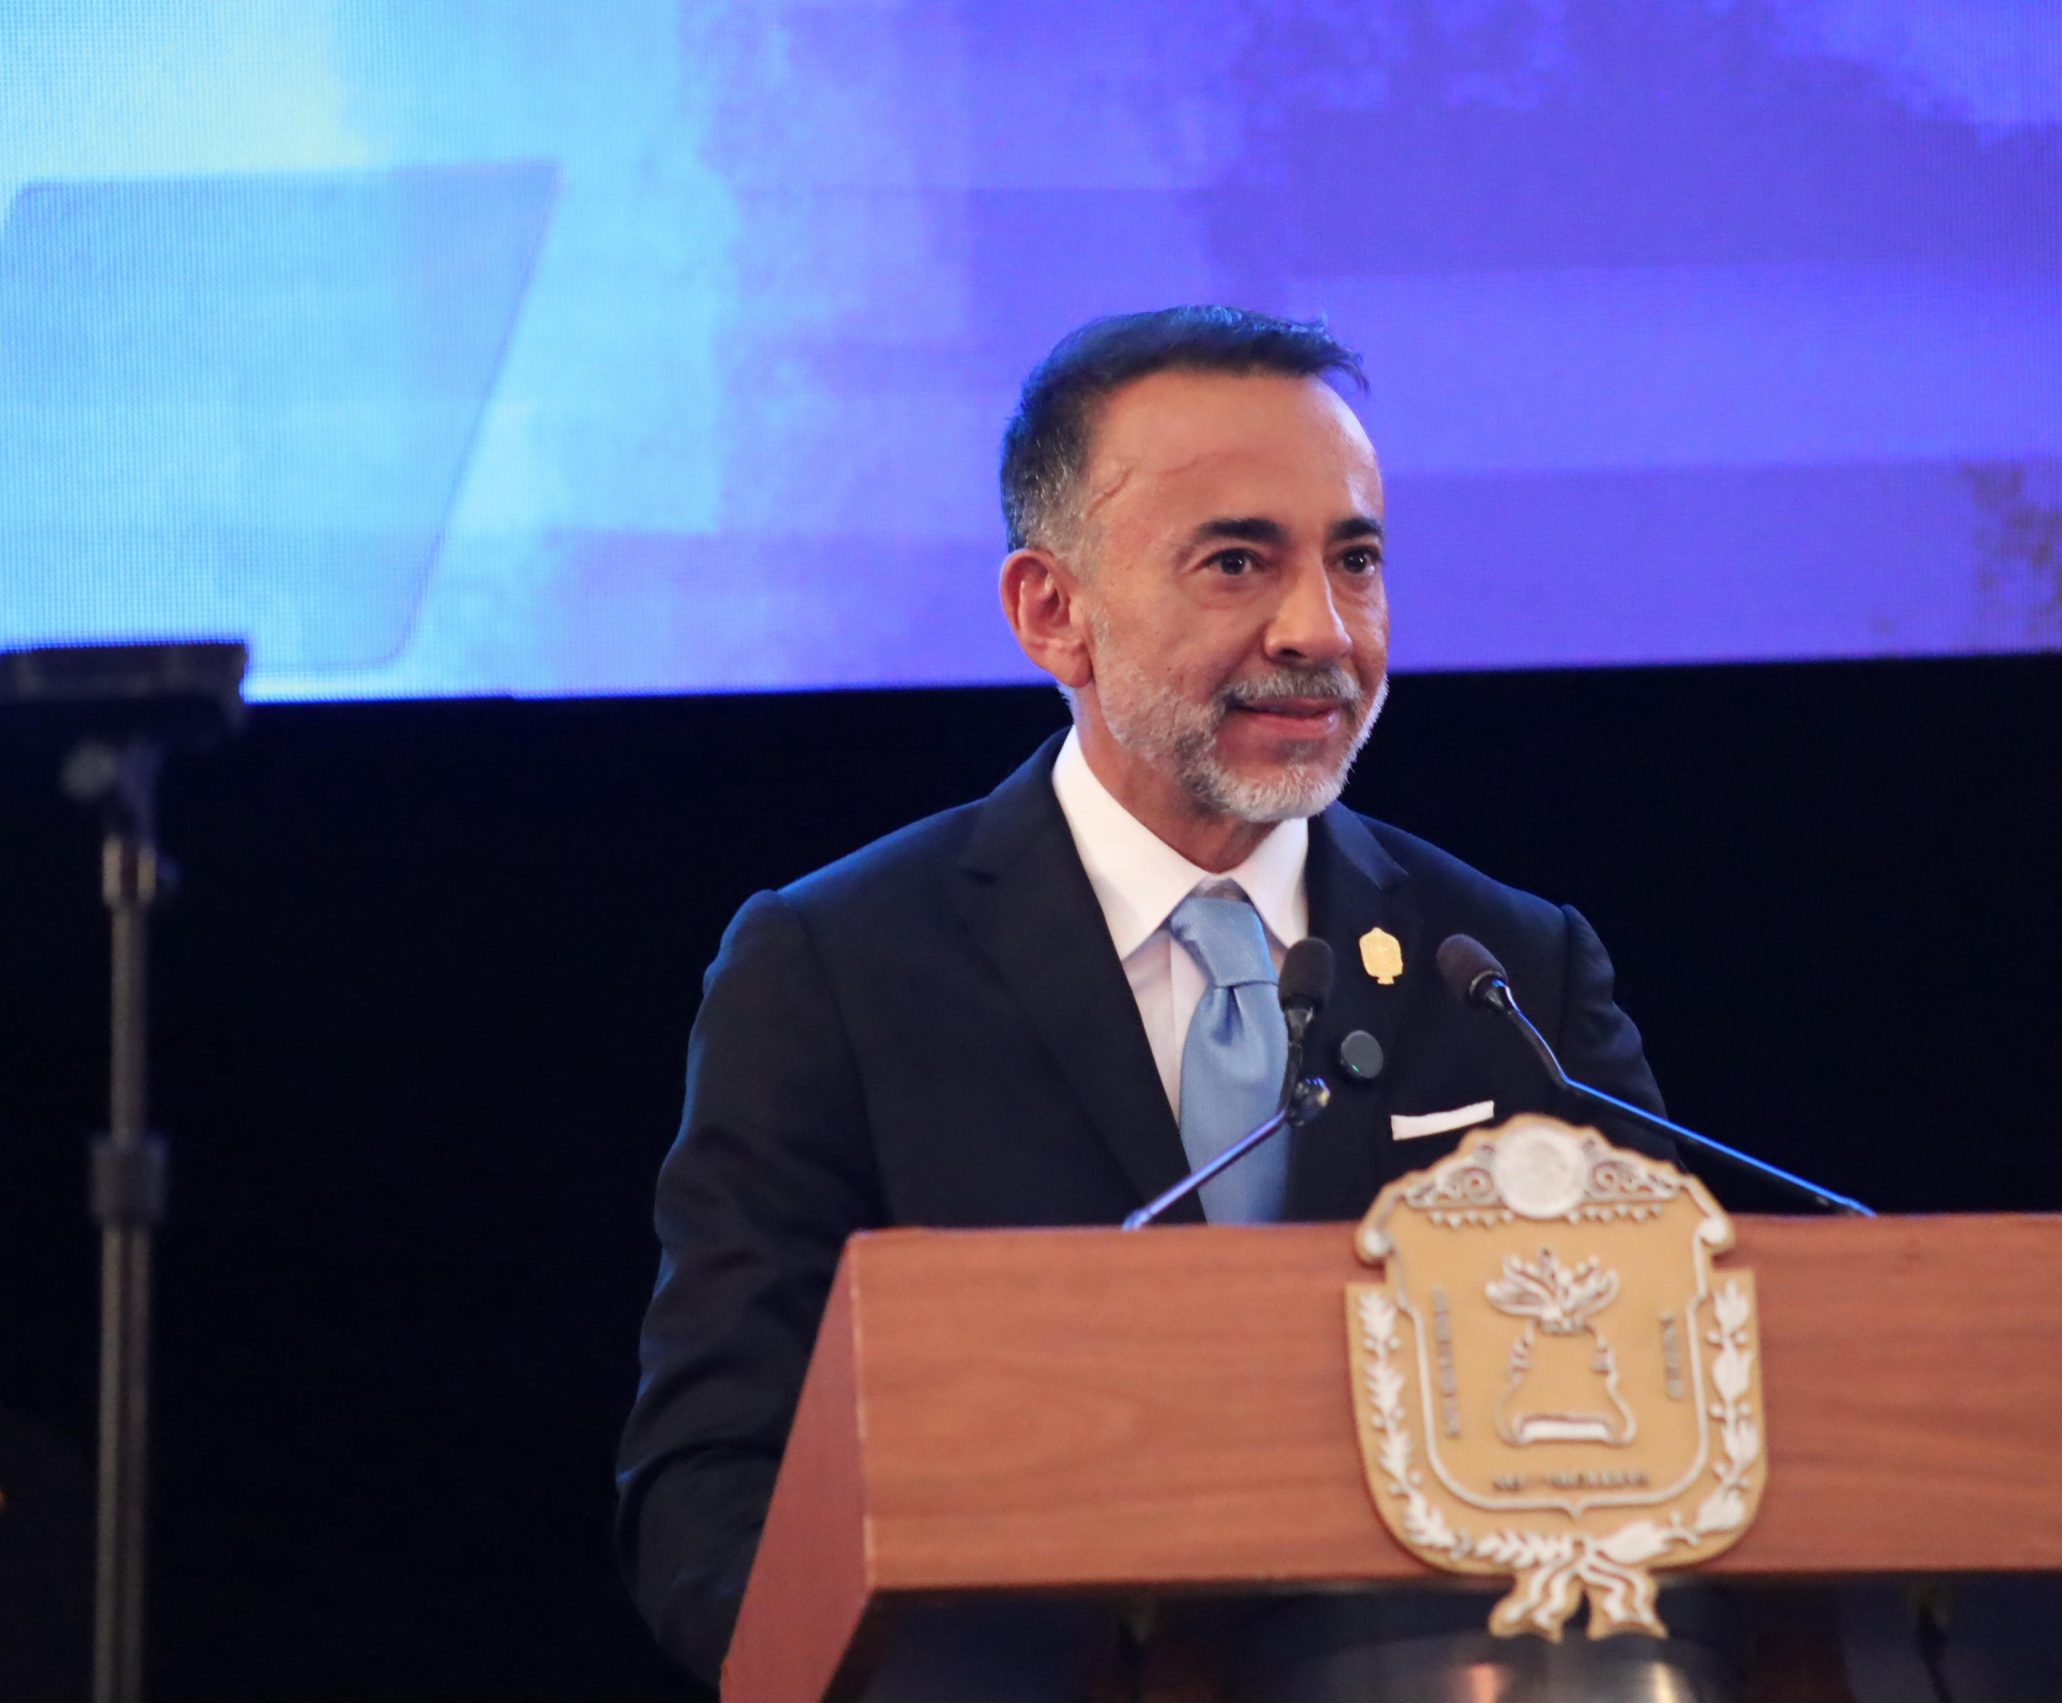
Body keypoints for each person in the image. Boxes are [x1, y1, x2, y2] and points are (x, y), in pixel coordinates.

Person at [614, 307, 1702, 1695]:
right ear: (1050, 613)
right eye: (1237, 562)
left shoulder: (1506, 972)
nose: (1320, 630)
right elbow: (714, 1484)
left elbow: (1683, 1404)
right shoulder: (836, 968)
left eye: (1355, 561)